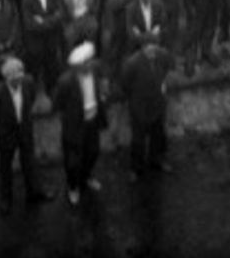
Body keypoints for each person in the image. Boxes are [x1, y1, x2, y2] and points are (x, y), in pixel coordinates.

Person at [0, 55, 48, 214]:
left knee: (29, 161)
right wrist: (0, 129)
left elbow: (31, 99)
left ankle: (34, 191)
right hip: (6, 133)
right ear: (6, 78)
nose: (17, 80)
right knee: (5, 167)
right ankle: (6, 199)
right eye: (12, 78)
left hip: (25, 129)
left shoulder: (28, 83)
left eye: (19, 75)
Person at [52, 41, 108, 204]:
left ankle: (86, 177)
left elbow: (102, 83)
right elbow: (57, 104)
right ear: (78, 65)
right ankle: (73, 186)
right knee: (73, 160)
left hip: (93, 121)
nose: (91, 65)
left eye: (91, 61)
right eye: (87, 63)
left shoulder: (95, 71)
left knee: (93, 152)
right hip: (75, 125)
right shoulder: (66, 81)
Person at [119, 32, 173, 177]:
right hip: (139, 106)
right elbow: (125, 84)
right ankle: (136, 168)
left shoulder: (163, 56)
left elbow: (167, 69)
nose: (152, 51)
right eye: (148, 48)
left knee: (158, 135)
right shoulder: (132, 64)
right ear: (142, 48)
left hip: (157, 103)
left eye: (155, 47)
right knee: (138, 139)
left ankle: (157, 160)